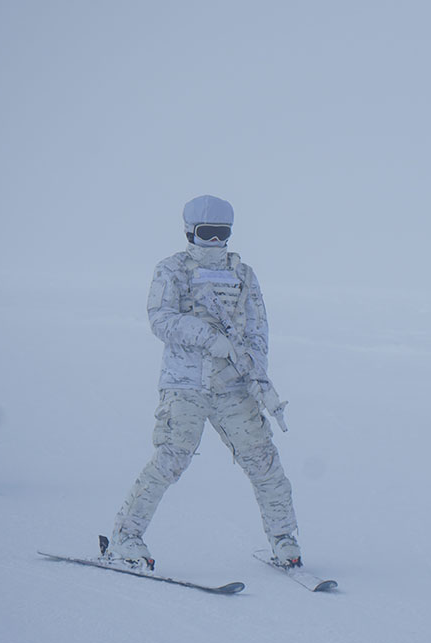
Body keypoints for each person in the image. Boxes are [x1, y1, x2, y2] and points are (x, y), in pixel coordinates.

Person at [102, 195, 302, 571]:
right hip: (186, 384)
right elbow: (160, 318)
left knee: (264, 462)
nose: (214, 243)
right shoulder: (173, 270)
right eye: (207, 234)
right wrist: (209, 338)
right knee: (171, 459)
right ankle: (126, 537)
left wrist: (255, 370)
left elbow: (258, 327)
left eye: (221, 234)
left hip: (234, 386)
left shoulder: (243, 274)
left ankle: (285, 540)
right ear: (190, 232)